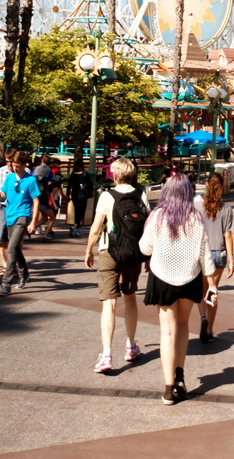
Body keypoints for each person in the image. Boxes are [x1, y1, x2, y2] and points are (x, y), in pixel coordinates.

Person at [139, 173, 218, 405]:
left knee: (167, 331)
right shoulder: (196, 218)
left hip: (162, 277)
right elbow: (206, 255)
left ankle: (168, 386)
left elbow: (144, 248)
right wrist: (212, 284)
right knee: (183, 326)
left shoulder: (157, 217)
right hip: (189, 277)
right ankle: (180, 374)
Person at [84, 156, 150, 374]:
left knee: (109, 303)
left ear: (115, 174)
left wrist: (88, 249)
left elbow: (95, 227)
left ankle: (106, 354)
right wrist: (149, 256)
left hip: (109, 251)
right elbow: (147, 226)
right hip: (133, 252)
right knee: (130, 298)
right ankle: (131, 345)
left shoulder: (106, 196)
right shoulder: (141, 194)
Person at [0, 150, 41, 296]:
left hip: (23, 216)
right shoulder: (10, 178)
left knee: (10, 249)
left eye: (18, 165)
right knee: (16, 249)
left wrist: (33, 222)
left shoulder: (31, 180)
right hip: (9, 215)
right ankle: (24, 273)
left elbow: (36, 201)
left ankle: (6, 284)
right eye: (13, 164)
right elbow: (2, 195)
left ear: (25, 164)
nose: (14, 167)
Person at [195, 173, 234, 344]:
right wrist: (231, 260)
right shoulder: (226, 209)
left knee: (202, 291)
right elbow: (228, 236)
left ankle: (203, 317)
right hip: (219, 253)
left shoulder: (197, 207)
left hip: (202, 252)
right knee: (213, 290)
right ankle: (210, 329)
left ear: (206, 185)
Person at [66, 157, 94, 236]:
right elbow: (90, 184)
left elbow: (69, 185)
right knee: (81, 212)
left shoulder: (72, 174)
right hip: (83, 195)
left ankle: (75, 228)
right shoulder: (85, 174)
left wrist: (68, 194)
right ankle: (75, 226)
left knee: (76, 211)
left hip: (74, 194)